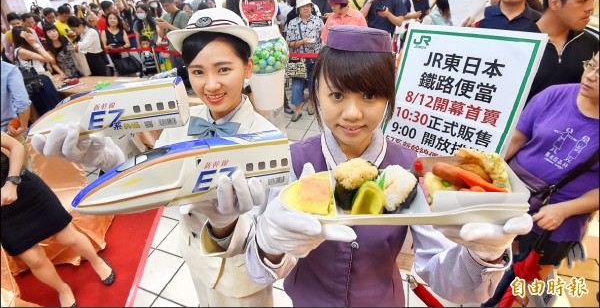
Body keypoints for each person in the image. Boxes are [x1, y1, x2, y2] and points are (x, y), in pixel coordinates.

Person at [195, 25, 532, 306]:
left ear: (388, 98)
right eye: (337, 95)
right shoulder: (295, 161)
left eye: (370, 96)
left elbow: (450, 283)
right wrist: (269, 244)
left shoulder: (407, 169)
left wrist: (483, 256)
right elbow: (259, 271)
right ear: (316, 93)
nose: (353, 113)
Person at [31, 8, 279, 307]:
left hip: (241, 277)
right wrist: (105, 158)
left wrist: (228, 224)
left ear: (248, 67)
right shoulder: (184, 121)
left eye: (224, 69)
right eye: (198, 71)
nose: (210, 85)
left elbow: (274, 237)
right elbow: (151, 173)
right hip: (193, 255)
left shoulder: (269, 141)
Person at [483, 52, 599, 307]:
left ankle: (512, 297)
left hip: (558, 217)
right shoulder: (556, 94)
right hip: (514, 195)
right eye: (591, 64)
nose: (590, 75)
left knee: (529, 267)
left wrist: (566, 209)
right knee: (498, 250)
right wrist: (487, 175)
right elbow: (517, 138)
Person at [1, 132, 115, 307]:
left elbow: (15, 146)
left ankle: (97, 262)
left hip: (24, 188)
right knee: (34, 259)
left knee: (67, 236)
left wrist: (11, 183)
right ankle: (63, 289)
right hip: (3, 214)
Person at [521, 0, 599, 103]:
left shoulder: (592, 43)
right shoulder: (519, 41)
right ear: (554, 3)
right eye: (583, 0)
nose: (590, 8)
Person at [286, 0, 324, 122]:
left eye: (308, 5)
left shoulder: (318, 21)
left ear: (311, 7)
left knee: (313, 82)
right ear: (298, 9)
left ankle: (311, 103)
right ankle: (297, 110)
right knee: (297, 84)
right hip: (298, 58)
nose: (306, 8)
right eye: (302, 6)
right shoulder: (292, 23)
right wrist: (301, 42)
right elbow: (289, 43)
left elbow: (322, 39)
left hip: (315, 57)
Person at [157, 0, 191, 69]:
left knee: (186, 74)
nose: (165, 8)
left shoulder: (183, 14)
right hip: (172, 51)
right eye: (163, 6)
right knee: (176, 75)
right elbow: (161, 35)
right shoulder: (165, 16)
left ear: (173, 2)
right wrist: (161, 27)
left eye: (167, 5)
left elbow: (186, 33)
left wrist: (168, 26)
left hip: (182, 51)